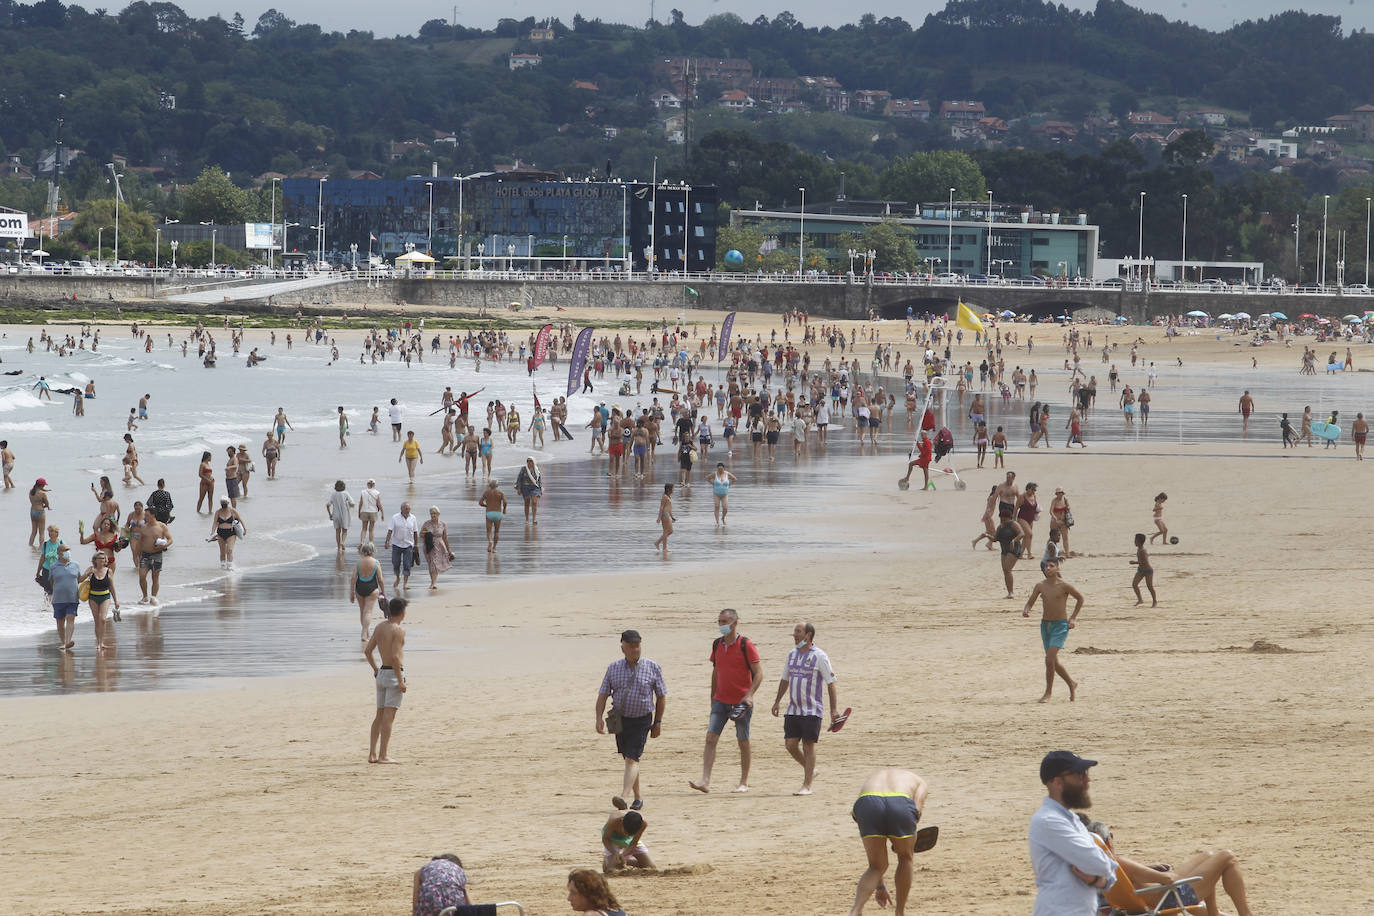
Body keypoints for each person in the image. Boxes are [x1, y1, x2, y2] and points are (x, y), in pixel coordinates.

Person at [1083, 818, 1256, 916]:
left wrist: (1146, 870)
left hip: (1151, 898)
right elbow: (1168, 879)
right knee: (1227, 857)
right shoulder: (1119, 862)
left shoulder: (1098, 868)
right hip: (1169, 898)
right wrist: (1159, 873)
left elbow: (1131, 877)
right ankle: (1245, 914)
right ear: (1108, 842)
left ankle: (1213, 913)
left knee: (1208, 857)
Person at [1029, 751, 1116, 916]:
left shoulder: (1072, 820)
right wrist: (1099, 876)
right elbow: (1101, 864)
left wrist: (1096, 879)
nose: (1087, 779)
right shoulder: (1049, 821)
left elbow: (1110, 874)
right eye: (1080, 775)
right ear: (1058, 782)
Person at [688, 607, 763, 794]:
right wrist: (712, 696)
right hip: (721, 700)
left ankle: (743, 782)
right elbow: (716, 671)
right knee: (711, 738)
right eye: (719, 622)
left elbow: (759, 673)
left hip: (741, 702)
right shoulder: (717, 645)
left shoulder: (746, 645)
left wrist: (749, 694)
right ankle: (705, 780)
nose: (721, 625)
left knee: (742, 740)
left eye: (724, 622)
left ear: (734, 623)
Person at [846, 768, 934, 916]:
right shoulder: (920, 782)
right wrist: (906, 844)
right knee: (905, 858)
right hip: (900, 803)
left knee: (876, 866)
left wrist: (880, 887)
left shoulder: (874, 777)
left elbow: (859, 816)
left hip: (867, 803)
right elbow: (916, 812)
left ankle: (855, 911)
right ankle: (899, 912)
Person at [596, 629, 667, 811]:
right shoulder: (613, 668)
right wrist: (598, 718)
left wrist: (657, 722)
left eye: (638, 646)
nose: (635, 650)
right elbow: (603, 694)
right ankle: (638, 797)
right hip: (620, 719)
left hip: (642, 719)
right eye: (631, 646)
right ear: (623, 648)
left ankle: (624, 796)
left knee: (631, 758)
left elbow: (661, 696)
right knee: (629, 758)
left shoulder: (652, 667)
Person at [770, 620, 841, 796]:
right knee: (790, 744)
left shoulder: (820, 656)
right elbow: (785, 679)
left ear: (808, 635)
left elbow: (831, 683)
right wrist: (777, 701)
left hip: (812, 710)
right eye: (795, 631)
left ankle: (807, 785)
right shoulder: (791, 655)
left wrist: (833, 710)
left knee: (808, 746)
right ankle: (812, 770)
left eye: (798, 631)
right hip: (793, 709)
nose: (794, 634)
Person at [1022, 559, 1083, 703]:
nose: (1048, 568)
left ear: (1057, 568)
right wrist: (1026, 610)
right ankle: (1071, 683)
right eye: (1045, 567)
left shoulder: (1064, 586)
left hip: (1061, 626)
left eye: (1051, 566)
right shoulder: (1040, 586)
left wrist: (1073, 618)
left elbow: (1080, 599)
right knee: (1053, 661)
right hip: (1045, 626)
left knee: (1049, 659)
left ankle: (1048, 693)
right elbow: (1031, 601)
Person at [365, 596, 407, 763]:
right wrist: (401, 681)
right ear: (402, 612)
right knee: (389, 717)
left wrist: (376, 669)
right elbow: (396, 657)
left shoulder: (380, 627)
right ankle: (383, 755)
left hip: (382, 673)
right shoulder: (398, 630)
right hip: (393, 675)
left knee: (379, 715)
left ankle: (372, 754)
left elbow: (368, 651)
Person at [50, 544, 84, 651]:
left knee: (70, 618)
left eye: (69, 549)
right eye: (65, 550)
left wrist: (88, 574)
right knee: (60, 622)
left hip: (72, 598)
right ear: (59, 552)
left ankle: (68, 642)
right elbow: (51, 582)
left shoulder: (75, 565)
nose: (68, 551)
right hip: (58, 599)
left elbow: (79, 579)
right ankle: (63, 642)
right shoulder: (54, 566)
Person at [350, 542, 382, 644]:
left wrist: (351, 592)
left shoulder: (358, 563)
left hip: (359, 588)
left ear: (363, 551)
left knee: (362, 611)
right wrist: (383, 592)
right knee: (368, 612)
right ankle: (364, 633)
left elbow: (353, 578)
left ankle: (366, 632)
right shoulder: (376, 563)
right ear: (373, 550)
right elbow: (380, 579)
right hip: (372, 588)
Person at [383, 502, 420, 591]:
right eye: (406, 508)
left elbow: (415, 532)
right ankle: (398, 577)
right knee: (395, 563)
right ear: (402, 509)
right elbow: (390, 530)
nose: (408, 510)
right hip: (396, 544)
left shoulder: (413, 518)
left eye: (409, 509)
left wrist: (416, 544)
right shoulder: (395, 517)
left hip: (408, 545)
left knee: (407, 564)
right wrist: (387, 541)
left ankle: (405, 584)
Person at [137, 513, 173, 605]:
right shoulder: (143, 527)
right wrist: (137, 554)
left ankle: (153, 597)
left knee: (155, 577)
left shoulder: (161, 526)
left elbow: (170, 539)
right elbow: (139, 542)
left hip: (157, 554)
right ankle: (145, 596)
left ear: (153, 515)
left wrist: (164, 545)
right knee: (142, 576)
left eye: (147, 515)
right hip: (145, 555)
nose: (145, 517)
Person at [420, 506, 453, 590]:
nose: (433, 515)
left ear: (438, 514)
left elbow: (445, 537)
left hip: (440, 546)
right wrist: (426, 535)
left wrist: (449, 550)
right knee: (431, 564)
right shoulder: (426, 524)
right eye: (431, 513)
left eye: (434, 513)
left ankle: (433, 583)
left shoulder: (442, 524)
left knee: (435, 563)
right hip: (429, 545)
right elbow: (421, 535)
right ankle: (432, 581)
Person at [995, 510, 1023, 599]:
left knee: (1007, 569)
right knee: (1005, 571)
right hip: (1004, 550)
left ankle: (1011, 592)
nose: (1003, 521)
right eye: (1001, 519)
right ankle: (1009, 592)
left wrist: (1014, 540)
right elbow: (995, 539)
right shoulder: (1000, 527)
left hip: (1014, 549)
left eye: (1005, 519)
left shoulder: (1013, 524)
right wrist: (986, 535)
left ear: (1009, 518)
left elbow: (1022, 534)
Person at [211, 498, 245, 569]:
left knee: (229, 550)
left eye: (225, 502)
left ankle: (230, 566)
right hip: (220, 533)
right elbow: (215, 523)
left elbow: (240, 519)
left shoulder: (233, 511)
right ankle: (223, 567)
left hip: (231, 533)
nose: (223, 504)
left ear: (228, 503)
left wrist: (244, 529)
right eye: (222, 503)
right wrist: (212, 532)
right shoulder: (218, 512)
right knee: (222, 552)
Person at [325, 480, 355, 552]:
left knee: (337, 531)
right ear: (344, 486)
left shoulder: (333, 494)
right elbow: (352, 503)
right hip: (344, 515)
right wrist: (349, 505)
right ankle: (342, 542)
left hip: (335, 514)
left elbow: (328, 505)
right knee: (345, 530)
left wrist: (330, 514)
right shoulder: (346, 493)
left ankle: (338, 547)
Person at [478, 480, 507, 552]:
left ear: (490, 485)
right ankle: (494, 548)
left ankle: (490, 541)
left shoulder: (486, 492)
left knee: (489, 531)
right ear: (497, 486)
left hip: (489, 513)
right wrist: (504, 509)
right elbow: (505, 502)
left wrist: (486, 506)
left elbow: (480, 503)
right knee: (496, 532)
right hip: (498, 513)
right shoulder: (500, 493)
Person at [1130, 533, 1156, 607]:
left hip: (1148, 571)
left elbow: (1145, 561)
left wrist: (1134, 562)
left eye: (1135, 540)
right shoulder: (1139, 549)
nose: (1134, 542)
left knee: (1150, 587)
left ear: (1139, 541)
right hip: (1140, 570)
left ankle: (1154, 601)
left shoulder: (1143, 550)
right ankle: (1140, 600)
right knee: (1134, 584)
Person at [515, 456, 542, 525]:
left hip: (535, 488)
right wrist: (518, 488)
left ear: (533, 462)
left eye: (531, 461)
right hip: (525, 487)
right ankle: (527, 519)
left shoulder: (536, 469)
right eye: (528, 461)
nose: (529, 463)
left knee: (534, 502)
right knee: (526, 503)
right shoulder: (524, 469)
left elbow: (539, 480)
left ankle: (534, 519)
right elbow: (519, 478)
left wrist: (540, 489)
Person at [357, 479, 382, 547]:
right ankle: (371, 544)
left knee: (364, 528)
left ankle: (362, 542)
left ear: (367, 484)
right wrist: (382, 513)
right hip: (373, 512)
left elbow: (360, 503)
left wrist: (359, 512)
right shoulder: (377, 492)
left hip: (364, 511)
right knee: (371, 529)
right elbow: (379, 504)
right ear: (374, 485)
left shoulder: (363, 492)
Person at [651, 483, 675, 555]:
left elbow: (669, 508)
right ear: (668, 489)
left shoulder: (668, 497)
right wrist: (658, 518)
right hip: (664, 516)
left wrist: (672, 516)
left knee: (669, 531)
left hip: (667, 515)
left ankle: (661, 546)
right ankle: (660, 544)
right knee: (668, 531)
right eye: (673, 488)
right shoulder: (664, 497)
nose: (674, 490)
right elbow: (661, 507)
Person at [28, 478, 50, 547]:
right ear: (42, 485)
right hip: (40, 511)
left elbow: (37, 490)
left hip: (32, 511)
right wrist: (46, 506)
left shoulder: (31, 491)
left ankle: (30, 546)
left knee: (33, 532)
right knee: (41, 533)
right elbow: (47, 503)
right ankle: (41, 548)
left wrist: (45, 490)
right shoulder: (43, 494)